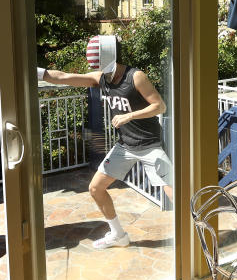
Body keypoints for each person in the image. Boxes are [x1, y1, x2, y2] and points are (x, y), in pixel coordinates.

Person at [39, 35, 173, 249]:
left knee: (173, 190)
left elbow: (160, 106)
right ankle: (119, 235)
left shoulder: (135, 76)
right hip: (124, 145)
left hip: (149, 145)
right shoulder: (101, 77)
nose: (99, 70)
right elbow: (63, 76)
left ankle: (197, 230)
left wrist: (129, 116)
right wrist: (35, 72)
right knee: (95, 188)